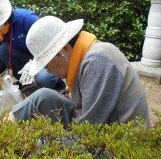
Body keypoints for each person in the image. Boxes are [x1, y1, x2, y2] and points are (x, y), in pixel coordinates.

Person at [8, 16, 150, 128]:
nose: (47, 70)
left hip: (117, 142)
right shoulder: (84, 57)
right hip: (97, 124)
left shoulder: (97, 61)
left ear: (65, 49)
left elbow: (90, 127)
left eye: (47, 63)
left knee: (41, 145)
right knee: (43, 96)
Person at [0, 0, 66, 91]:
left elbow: (50, 47)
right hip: (25, 61)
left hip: (44, 59)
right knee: (2, 50)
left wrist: (33, 63)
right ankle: (26, 82)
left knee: (45, 79)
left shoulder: (27, 19)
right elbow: (4, 59)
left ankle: (57, 83)